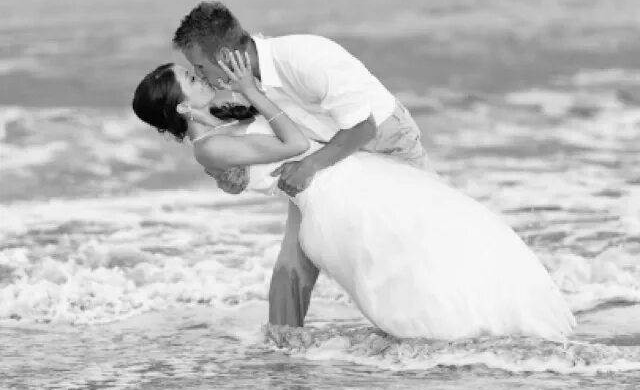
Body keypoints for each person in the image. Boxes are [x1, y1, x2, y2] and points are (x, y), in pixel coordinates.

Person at [132, 52, 576, 341]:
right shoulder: (209, 146)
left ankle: (481, 326)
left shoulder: (221, 129)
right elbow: (294, 146)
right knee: (406, 266)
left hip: (353, 180)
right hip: (335, 201)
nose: (201, 77)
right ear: (181, 108)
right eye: (191, 78)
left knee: (433, 243)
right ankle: (451, 335)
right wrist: (252, 93)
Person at [171, 2, 433, 327]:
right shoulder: (239, 85)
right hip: (326, 157)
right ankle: (283, 348)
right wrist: (233, 176)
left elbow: (363, 127)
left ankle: (430, 332)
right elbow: (255, 138)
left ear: (224, 56)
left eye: (199, 66)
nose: (199, 76)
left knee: (421, 243)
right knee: (293, 261)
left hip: (387, 142)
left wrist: (308, 166)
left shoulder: (305, 58)